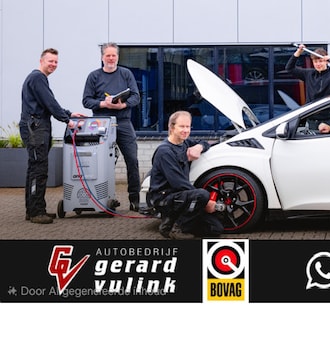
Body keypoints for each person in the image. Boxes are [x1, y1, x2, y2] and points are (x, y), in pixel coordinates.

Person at [19, 48, 84, 224]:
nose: (54, 64)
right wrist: (67, 120)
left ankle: (33, 209)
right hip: (36, 128)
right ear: (41, 61)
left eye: (56, 62)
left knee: (34, 169)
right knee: (38, 170)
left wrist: (69, 114)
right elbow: (50, 103)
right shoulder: (38, 78)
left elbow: (47, 103)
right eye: (50, 61)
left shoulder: (37, 78)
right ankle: (36, 212)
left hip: (36, 126)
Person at [82, 42, 143, 211]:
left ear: (118, 57)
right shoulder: (93, 76)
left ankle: (134, 200)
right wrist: (103, 103)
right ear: (102, 57)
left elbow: (136, 97)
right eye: (107, 55)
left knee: (132, 160)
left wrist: (123, 105)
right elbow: (86, 100)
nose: (111, 58)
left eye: (113, 55)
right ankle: (100, 198)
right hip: (101, 124)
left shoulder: (126, 74)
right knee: (100, 163)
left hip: (123, 122)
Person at [147, 111, 224, 239]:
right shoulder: (165, 151)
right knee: (202, 195)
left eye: (188, 126)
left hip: (180, 197)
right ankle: (175, 228)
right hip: (165, 198)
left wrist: (198, 147)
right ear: (172, 127)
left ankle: (179, 223)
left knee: (215, 229)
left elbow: (205, 142)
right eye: (181, 126)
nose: (186, 130)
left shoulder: (185, 143)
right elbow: (178, 183)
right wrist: (206, 202)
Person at [285, 44, 330, 133]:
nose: (318, 64)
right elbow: (289, 68)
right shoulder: (309, 74)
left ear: (326, 61)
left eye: (320, 61)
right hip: (309, 119)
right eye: (315, 62)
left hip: (326, 121)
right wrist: (298, 52)